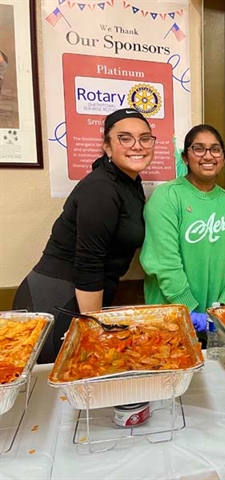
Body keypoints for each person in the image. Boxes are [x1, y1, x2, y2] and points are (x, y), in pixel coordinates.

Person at [13, 108, 155, 363]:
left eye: (145, 138)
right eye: (125, 138)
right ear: (107, 147)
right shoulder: (101, 188)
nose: (138, 146)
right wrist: (94, 326)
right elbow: (89, 264)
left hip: (86, 296)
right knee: (56, 393)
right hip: (58, 297)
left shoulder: (129, 183)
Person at [140, 125, 225, 331]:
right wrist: (187, 308)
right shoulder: (167, 197)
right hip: (171, 317)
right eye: (199, 149)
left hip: (218, 318)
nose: (208, 156)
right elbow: (163, 260)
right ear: (184, 157)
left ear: (223, 159)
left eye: (215, 149)